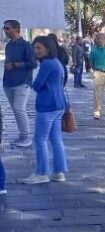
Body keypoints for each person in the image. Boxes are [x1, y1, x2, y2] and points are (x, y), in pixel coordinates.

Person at [22, 35, 68, 185]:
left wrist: (30, 80)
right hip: (59, 104)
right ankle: (59, 172)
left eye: (39, 48)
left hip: (47, 105)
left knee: (40, 139)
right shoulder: (56, 62)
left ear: (48, 48)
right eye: (35, 48)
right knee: (56, 140)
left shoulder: (47, 64)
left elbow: (36, 85)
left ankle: (42, 172)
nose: (36, 51)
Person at [2, 19, 37, 147]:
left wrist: (16, 65)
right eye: (4, 28)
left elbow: (33, 63)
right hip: (8, 82)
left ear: (17, 29)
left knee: (19, 108)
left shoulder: (26, 45)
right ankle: (22, 136)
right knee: (16, 110)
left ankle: (26, 137)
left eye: (7, 28)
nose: (5, 31)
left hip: (22, 82)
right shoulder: (9, 45)